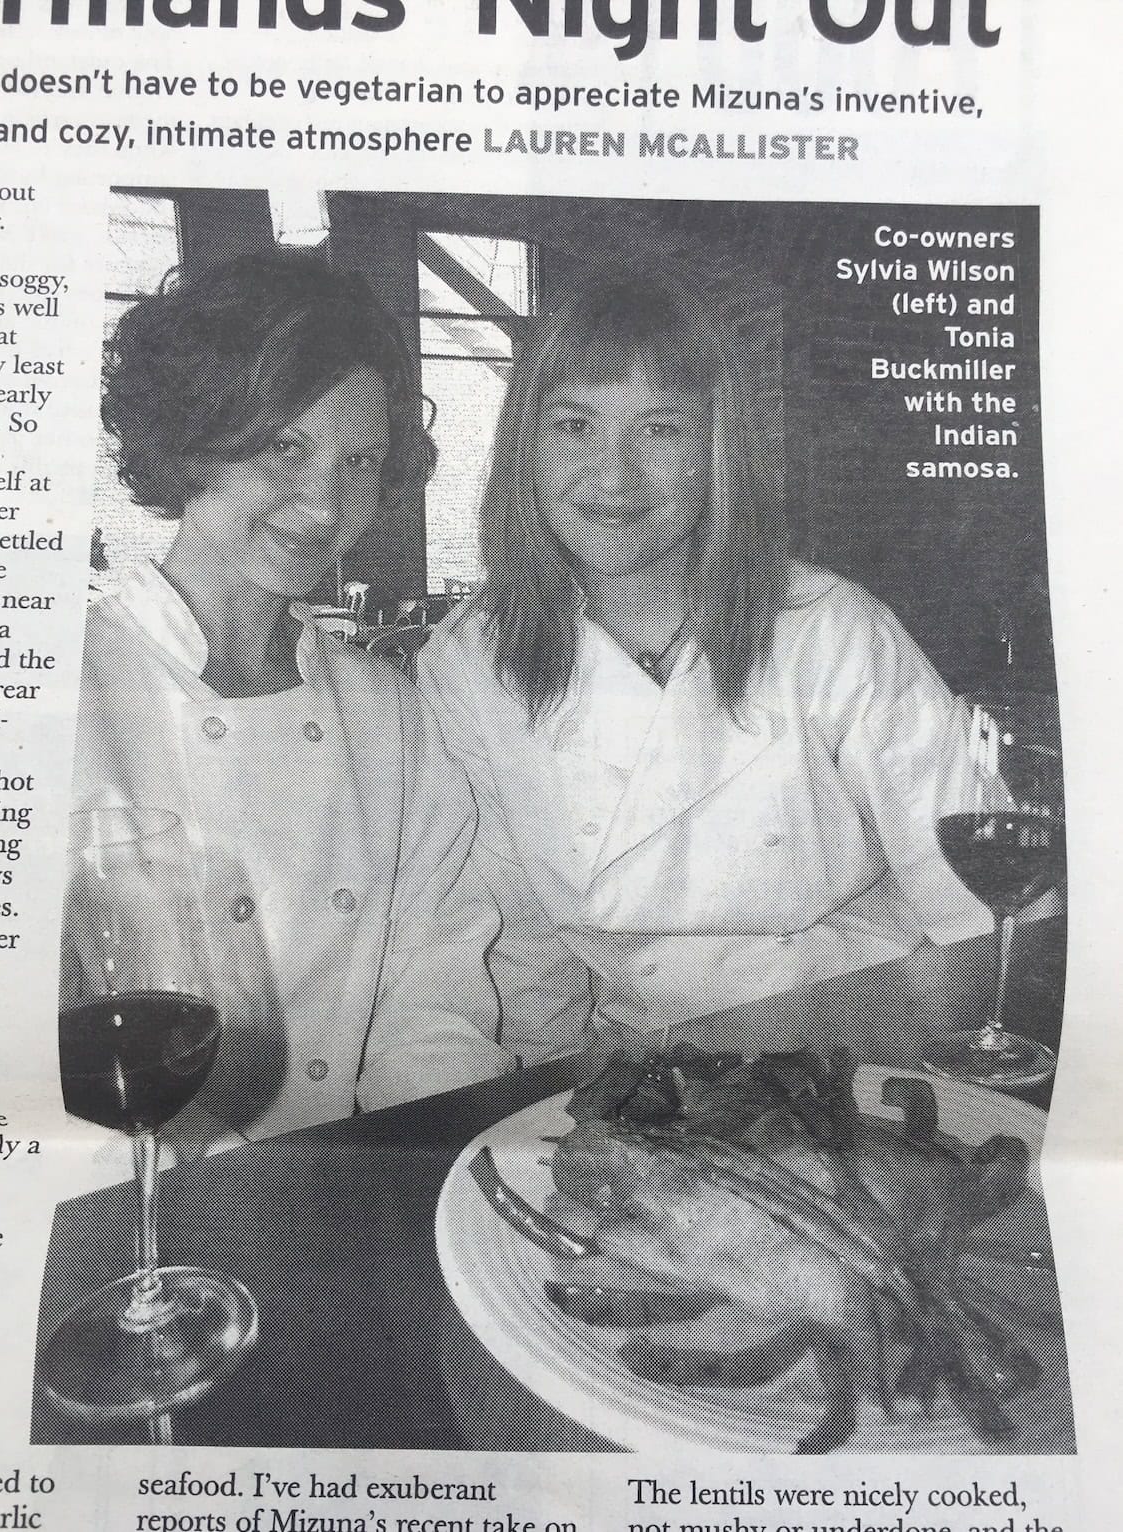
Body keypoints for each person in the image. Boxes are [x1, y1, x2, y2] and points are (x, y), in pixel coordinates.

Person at [417, 278, 992, 1065]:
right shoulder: (471, 660)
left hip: (859, 1045)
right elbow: (522, 944)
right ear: (526, 447)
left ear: (716, 450)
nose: (613, 475)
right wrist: (547, 1096)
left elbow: (976, 895)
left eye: (660, 429)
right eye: (575, 425)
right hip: (645, 1067)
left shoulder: (829, 628)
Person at [71, 249, 512, 1144]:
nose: (323, 502)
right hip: (115, 1204)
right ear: (192, 441)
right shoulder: (60, 691)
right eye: (285, 447)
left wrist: (428, 1169)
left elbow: (432, 1003)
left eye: (360, 460)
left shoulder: (389, 714)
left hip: (339, 1186)